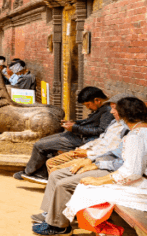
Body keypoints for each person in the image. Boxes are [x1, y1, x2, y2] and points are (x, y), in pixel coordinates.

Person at [31, 98, 129, 235]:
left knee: (63, 183)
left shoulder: (133, 133)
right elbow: (110, 149)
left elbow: (127, 166)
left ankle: (59, 226)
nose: (111, 111)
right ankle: (51, 214)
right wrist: (91, 158)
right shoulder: (119, 125)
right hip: (99, 160)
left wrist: (94, 162)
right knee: (55, 174)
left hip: (110, 169)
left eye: (114, 109)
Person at [59, 97, 147, 236]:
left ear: (125, 115)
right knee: (87, 187)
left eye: (115, 110)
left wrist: (100, 180)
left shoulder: (136, 136)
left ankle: (106, 229)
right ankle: (103, 228)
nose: (112, 112)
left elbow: (132, 172)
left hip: (142, 187)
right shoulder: (138, 132)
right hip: (138, 180)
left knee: (88, 189)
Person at [16, 86, 114, 183]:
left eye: (88, 105)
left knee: (40, 145)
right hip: (77, 135)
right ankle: (40, 173)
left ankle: (28, 172)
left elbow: (101, 131)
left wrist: (75, 127)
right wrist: (74, 123)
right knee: (42, 142)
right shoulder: (102, 108)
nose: (88, 108)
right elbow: (89, 121)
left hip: (83, 140)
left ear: (97, 100)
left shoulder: (108, 111)